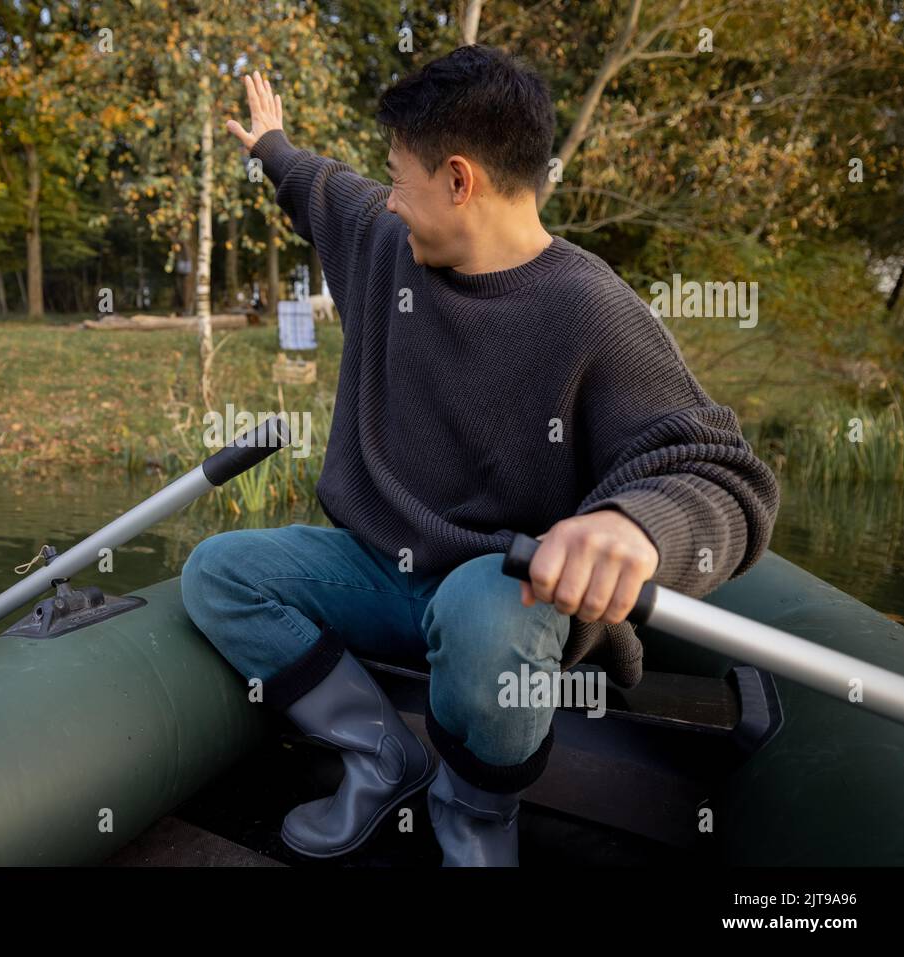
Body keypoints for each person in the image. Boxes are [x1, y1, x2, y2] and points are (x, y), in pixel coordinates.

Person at [180, 49, 780, 867]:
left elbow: (724, 474)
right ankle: (383, 754)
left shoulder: (592, 307)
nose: (387, 197)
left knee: (484, 612)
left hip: (506, 594)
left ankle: (474, 811)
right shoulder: (386, 242)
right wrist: (272, 146)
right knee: (219, 571)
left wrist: (635, 526)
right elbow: (317, 187)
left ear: (460, 181)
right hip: (379, 568)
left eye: (401, 180)